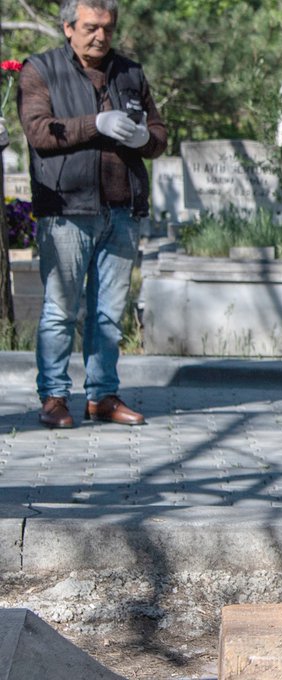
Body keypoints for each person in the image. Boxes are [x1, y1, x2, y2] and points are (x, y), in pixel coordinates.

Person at [18, 0, 167, 429]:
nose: (100, 36)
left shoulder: (130, 72)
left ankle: (102, 396)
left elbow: (158, 135)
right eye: (90, 28)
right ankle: (54, 397)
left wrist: (142, 137)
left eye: (107, 27)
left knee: (108, 313)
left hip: (121, 210)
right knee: (60, 310)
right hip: (66, 209)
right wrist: (95, 123)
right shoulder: (41, 70)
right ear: (68, 27)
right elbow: (39, 132)